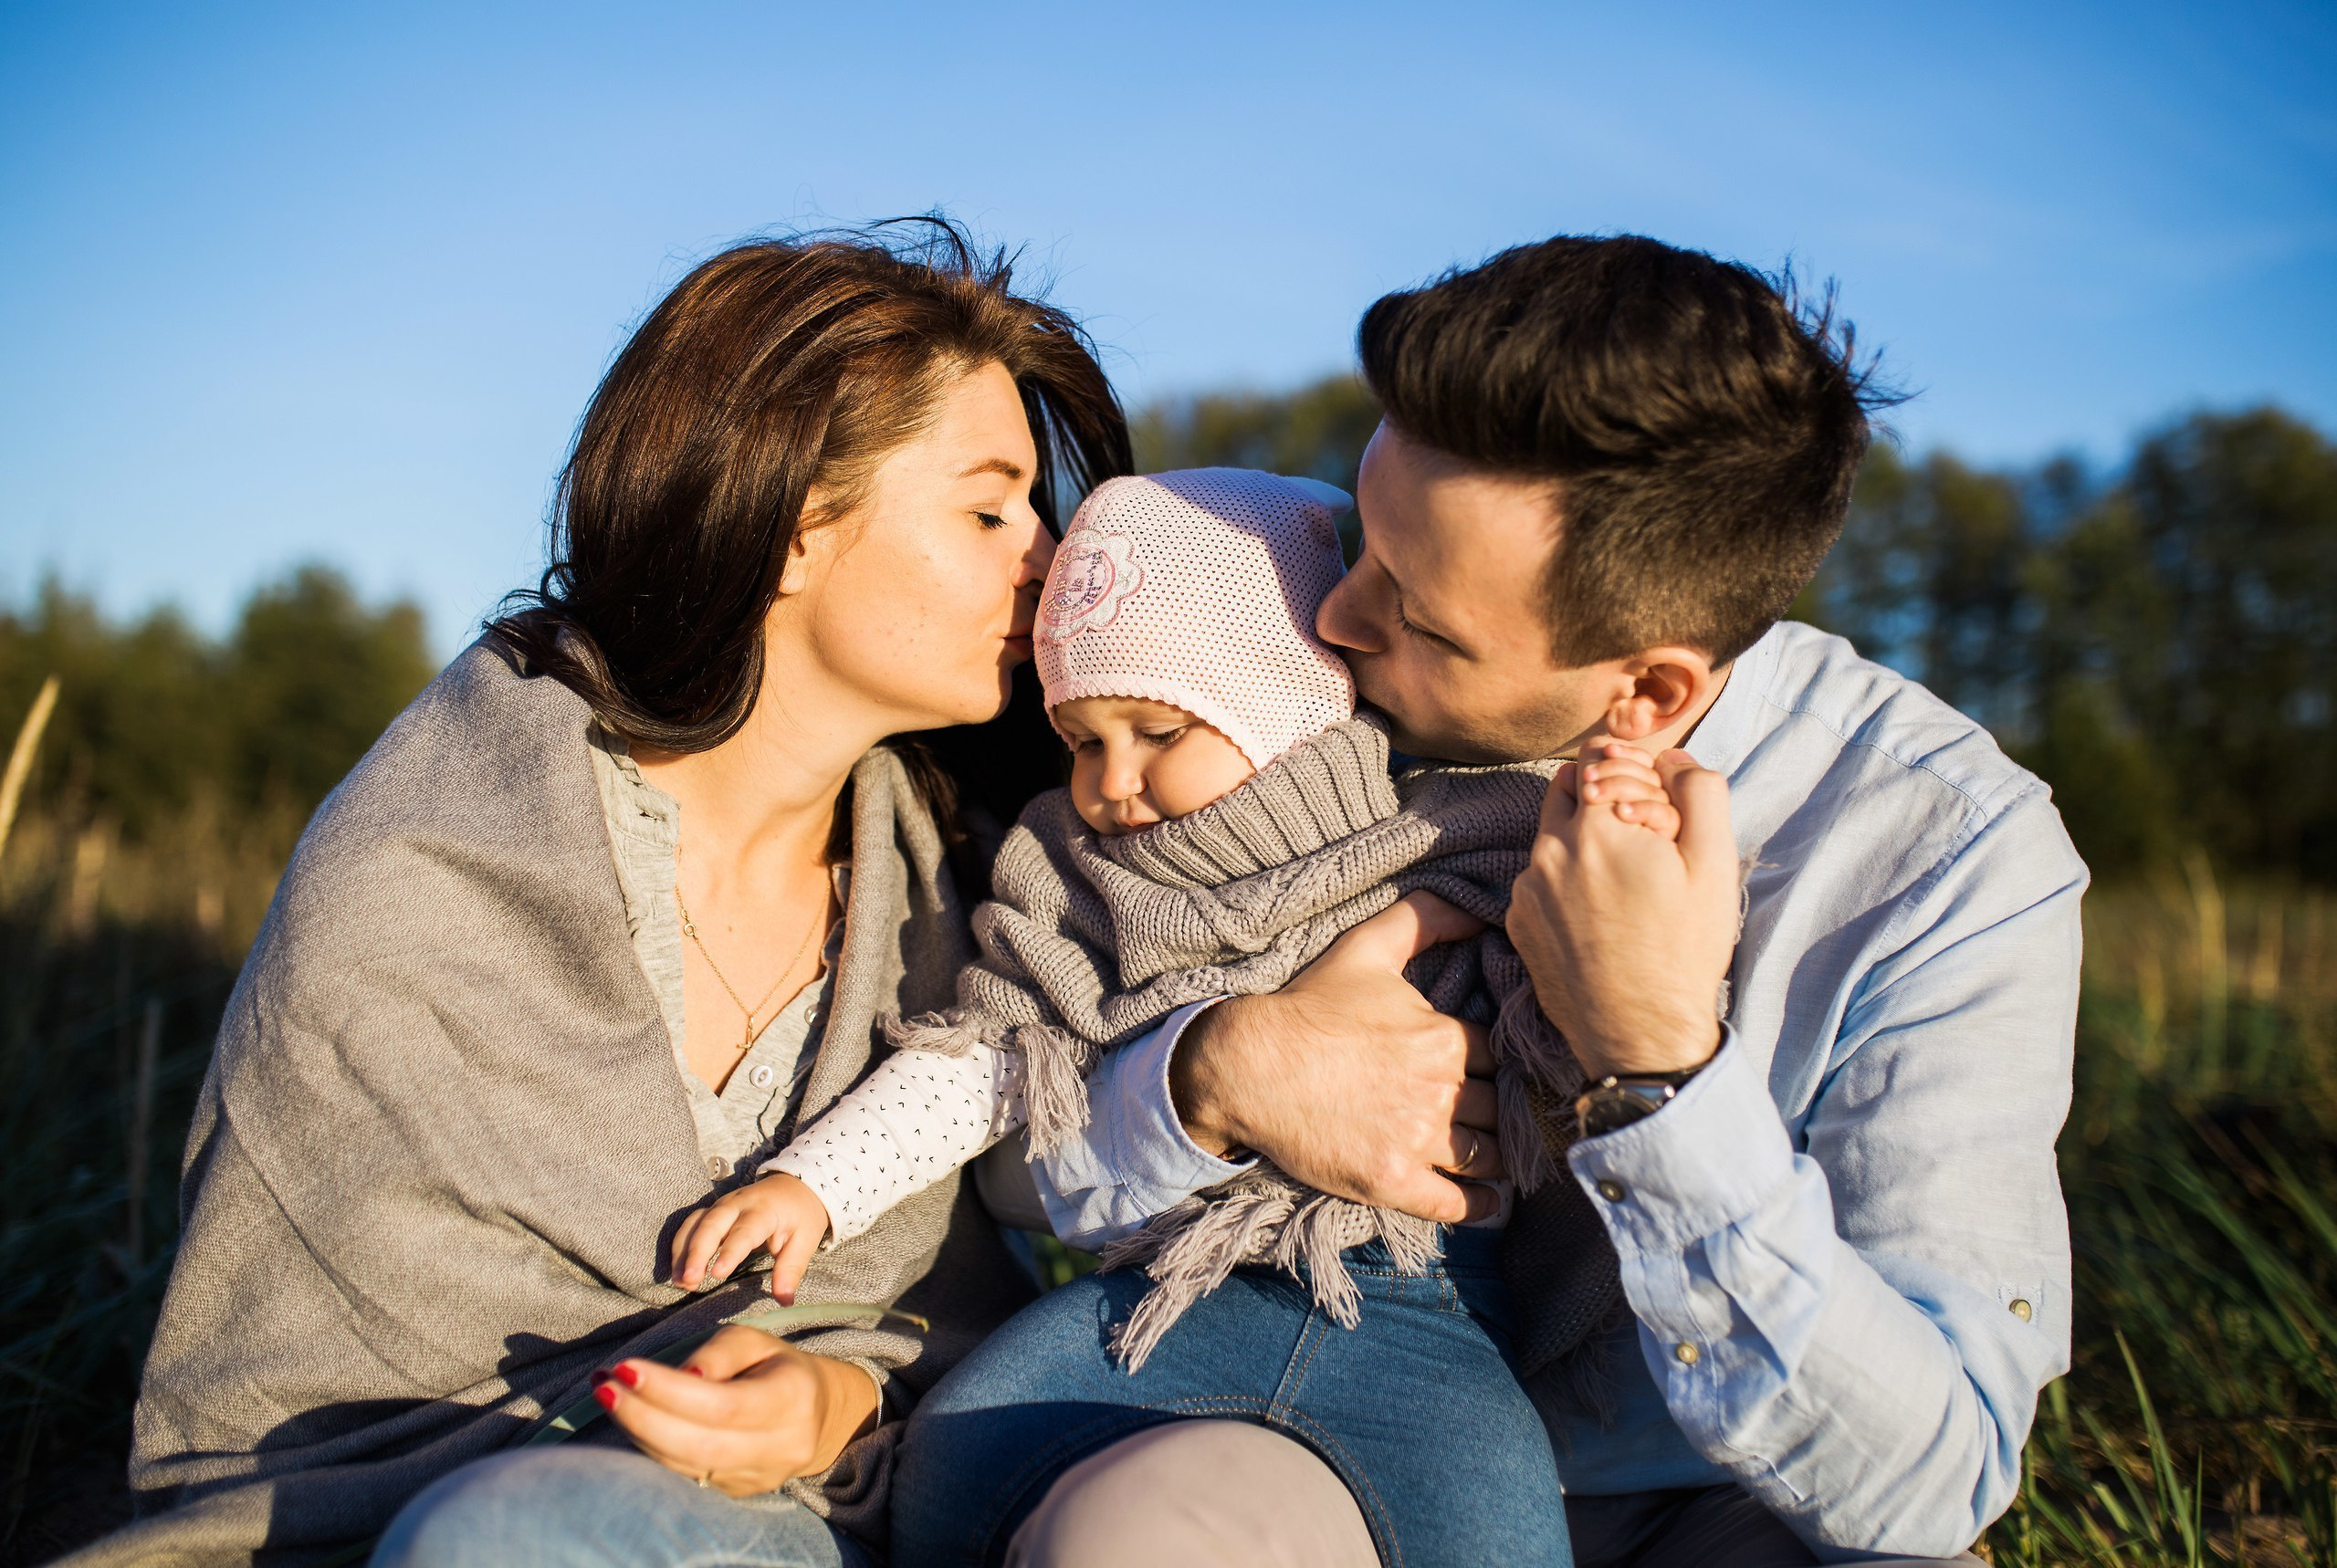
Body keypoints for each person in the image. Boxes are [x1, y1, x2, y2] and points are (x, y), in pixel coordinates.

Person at [892, 235, 2085, 1567]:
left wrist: (1659, 1075)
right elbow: (1000, 1144)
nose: (1337, 616)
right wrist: (1209, 1079)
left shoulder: (1941, 858)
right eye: (1365, 533)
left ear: (1651, 696)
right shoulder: (1271, 688)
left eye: (1420, 613)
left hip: (1725, 1510)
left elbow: (1935, 1477)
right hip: (1298, 1454)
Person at [67, 221, 1130, 1568]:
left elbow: (986, 1306)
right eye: (988, 510)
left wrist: (838, 1400)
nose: (1048, 559)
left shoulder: (969, 892)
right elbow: (284, 1390)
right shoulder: (431, 874)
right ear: (796, 525)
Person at [672, 466, 1690, 1566]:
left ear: (1287, 700)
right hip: (1155, 1289)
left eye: (1158, 729)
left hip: (1419, 1299)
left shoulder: (1454, 829)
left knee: (1498, 1533)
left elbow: (1577, 986)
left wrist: (1617, 822)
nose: (1112, 782)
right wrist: (817, 1183)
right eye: (1081, 738)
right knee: (948, 1474)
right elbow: (992, 1059)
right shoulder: (1076, 875)